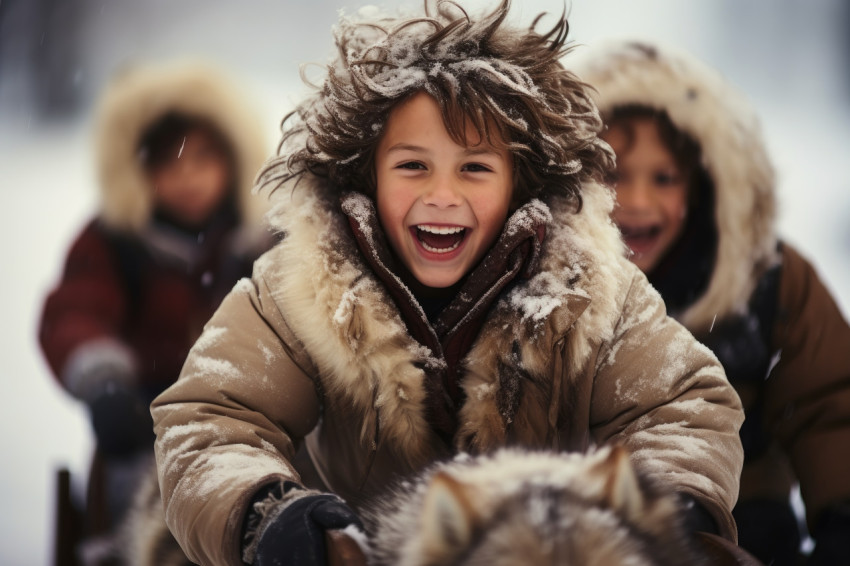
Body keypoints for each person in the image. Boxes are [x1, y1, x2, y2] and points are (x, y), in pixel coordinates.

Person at [151, 3, 748, 565]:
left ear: (521, 184)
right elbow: (211, 419)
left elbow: (680, 406)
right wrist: (269, 512)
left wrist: (670, 502)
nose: (442, 196)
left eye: (475, 168)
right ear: (367, 175)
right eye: (413, 165)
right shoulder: (298, 288)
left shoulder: (592, 289)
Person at [571, 40, 850, 565]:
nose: (637, 201)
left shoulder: (769, 282)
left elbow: (832, 408)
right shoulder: (547, 287)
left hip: (746, 532)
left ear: (700, 186)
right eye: (613, 175)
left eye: (664, 178)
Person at [38, 60, 271, 561]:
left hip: (256, 417)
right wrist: (103, 380)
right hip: (146, 421)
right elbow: (77, 312)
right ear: (137, 170)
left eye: (205, 158)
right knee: (145, 507)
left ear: (234, 160)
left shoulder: (260, 240)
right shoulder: (116, 242)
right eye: (167, 163)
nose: (188, 177)